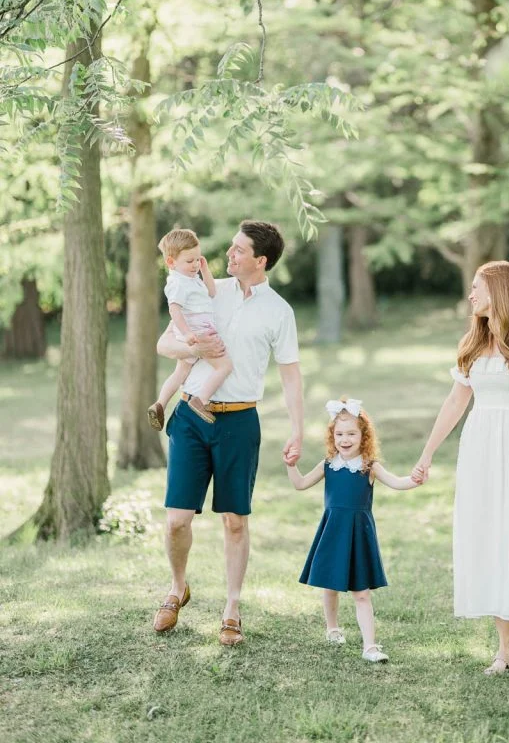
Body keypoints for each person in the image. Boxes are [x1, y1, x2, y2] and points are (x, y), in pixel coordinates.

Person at [152, 220, 303, 647]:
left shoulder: (279, 312)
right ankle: (177, 586)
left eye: (239, 250)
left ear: (261, 260)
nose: (228, 255)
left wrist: (297, 430)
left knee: (235, 521)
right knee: (177, 521)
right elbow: (165, 345)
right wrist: (194, 349)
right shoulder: (202, 290)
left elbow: (291, 377)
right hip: (190, 418)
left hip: (239, 422)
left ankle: (232, 608)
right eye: (231, 247)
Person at [412, 260, 509, 675]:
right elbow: (455, 403)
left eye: (477, 286)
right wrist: (427, 453)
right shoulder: (473, 342)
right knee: (487, 540)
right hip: (480, 448)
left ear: (499, 290)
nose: (471, 294)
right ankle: (506, 647)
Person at [285, 397, 419, 663]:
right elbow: (300, 484)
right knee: (331, 586)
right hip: (333, 530)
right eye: (339, 434)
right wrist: (291, 465)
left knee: (361, 592)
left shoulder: (369, 466)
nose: (345, 439)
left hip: (358, 533)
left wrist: (415, 480)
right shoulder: (328, 464)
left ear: (363, 436)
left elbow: (396, 482)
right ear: (332, 436)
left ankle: (370, 646)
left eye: (351, 434)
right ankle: (332, 628)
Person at [147, 228, 233, 430]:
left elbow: (212, 292)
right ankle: (200, 400)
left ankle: (159, 404)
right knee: (224, 367)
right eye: (189, 261)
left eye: (197, 259)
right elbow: (174, 310)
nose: (195, 264)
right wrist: (186, 334)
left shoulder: (191, 279)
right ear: (171, 262)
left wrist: (204, 269)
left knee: (180, 374)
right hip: (199, 333)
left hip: (195, 332)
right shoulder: (177, 283)